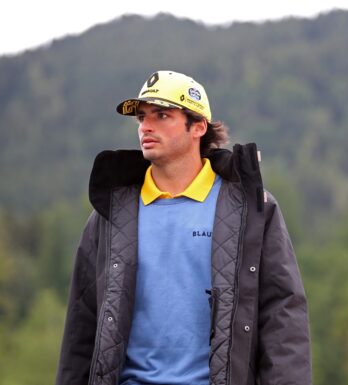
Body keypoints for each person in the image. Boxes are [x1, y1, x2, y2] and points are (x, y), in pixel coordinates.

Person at [55, 70, 311, 385]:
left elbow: (283, 316)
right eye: (141, 118)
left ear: (198, 127)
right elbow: (82, 324)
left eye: (162, 115)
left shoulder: (253, 209)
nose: (146, 126)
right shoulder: (110, 215)